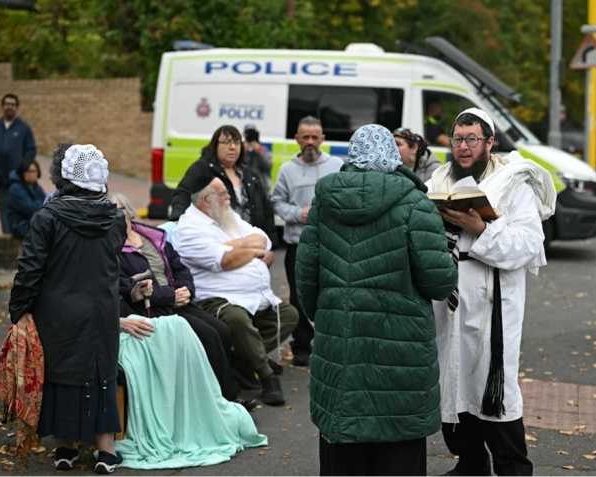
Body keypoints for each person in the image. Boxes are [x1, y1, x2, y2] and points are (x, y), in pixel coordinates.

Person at [295, 124, 458, 476]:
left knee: (343, 445)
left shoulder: (325, 201)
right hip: (401, 349)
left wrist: (323, 317)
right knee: (398, 444)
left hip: (341, 340)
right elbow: (438, 282)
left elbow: (305, 273)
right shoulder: (416, 204)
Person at [427, 108, 556, 476]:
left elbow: (529, 244)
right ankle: (470, 463)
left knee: (492, 389)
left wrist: (480, 229)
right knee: (452, 383)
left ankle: (513, 468)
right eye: (458, 139)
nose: (463, 147)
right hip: (449, 298)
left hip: (491, 301)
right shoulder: (440, 178)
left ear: (490, 141)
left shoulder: (514, 184)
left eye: (471, 139)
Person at [8, 144, 127, 474]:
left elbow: (30, 268)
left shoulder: (47, 217)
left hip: (58, 308)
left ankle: (66, 448)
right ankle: (106, 450)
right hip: (102, 308)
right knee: (100, 372)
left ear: (61, 176)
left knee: (62, 374)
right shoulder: (115, 218)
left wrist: (19, 309)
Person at [110, 193, 254, 408]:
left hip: (178, 300)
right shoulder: (113, 246)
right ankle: (224, 400)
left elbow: (179, 267)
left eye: (120, 208)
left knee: (221, 329)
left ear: (130, 211)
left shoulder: (152, 237)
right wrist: (170, 296)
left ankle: (225, 388)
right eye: (112, 209)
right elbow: (126, 286)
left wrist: (185, 290)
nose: (117, 213)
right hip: (153, 309)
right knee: (207, 336)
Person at [173, 177, 299, 406]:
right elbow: (224, 261)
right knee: (237, 319)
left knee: (289, 314)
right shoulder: (190, 228)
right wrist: (248, 250)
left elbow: (264, 240)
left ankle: (244, 362)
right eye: (222, 194)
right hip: (215, 298)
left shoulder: (226, 217)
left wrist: (239, 246)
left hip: (253, 297)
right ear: (205, 200)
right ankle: (265, 375)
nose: (228, 197)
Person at [114, 312, 267, 470]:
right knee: (178, 327)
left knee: (195, 328)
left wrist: (182, 292)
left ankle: (211, 410)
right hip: (125, 320)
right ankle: (189, 419)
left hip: (159, 309)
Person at [271, 116, 343, 367]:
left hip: (332, 245)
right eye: (305, 137)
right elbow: (277, 201)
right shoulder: (287, 169)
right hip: (298, 244)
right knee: (299, 296)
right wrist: (296, 214)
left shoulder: (337, 166)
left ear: (323, 138)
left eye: (315, 137)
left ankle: (331, 344)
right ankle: (302, 345)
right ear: (297, 139)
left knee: (332, 295)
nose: (310, 142)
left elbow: (347, 198)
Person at [170, 125, 277, 243]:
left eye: (237, 143)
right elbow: (182, 194)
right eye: (226, 143)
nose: (232, 147)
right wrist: (179, 223)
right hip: (216, 242)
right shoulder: (202, 169)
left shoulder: (250, 174)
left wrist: (271, 244)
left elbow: (267, 209)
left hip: (249, 243)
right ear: (215, 146)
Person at [0, 93, 37, 234]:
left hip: (18, 180)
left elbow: (31, 150)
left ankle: (20, 239)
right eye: (7, 104)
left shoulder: (24, 128)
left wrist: (22, 169)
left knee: (19, 209)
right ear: (2, 106)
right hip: (0, 178)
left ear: (17, 108)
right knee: (4, 210)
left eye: (13, 105)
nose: (10, 107)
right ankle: (7, 240)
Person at [7, 159, 46, 239]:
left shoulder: (36, 186)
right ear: (22, 173)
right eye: (28, 171)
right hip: (20, 225)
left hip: (33, 222)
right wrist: (43, 206)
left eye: (33, 171)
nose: (31, 174)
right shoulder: (15, 188)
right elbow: (30, 209)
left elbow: (46, 202)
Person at [243, 124, 273, 188]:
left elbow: (268, 166)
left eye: (252, 134)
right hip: (245, 183)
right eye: (248, 133)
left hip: (261, 185)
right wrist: (243, 152)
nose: (250, 136)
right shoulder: (242, 149)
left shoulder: (263, 149)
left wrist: (259, 151)